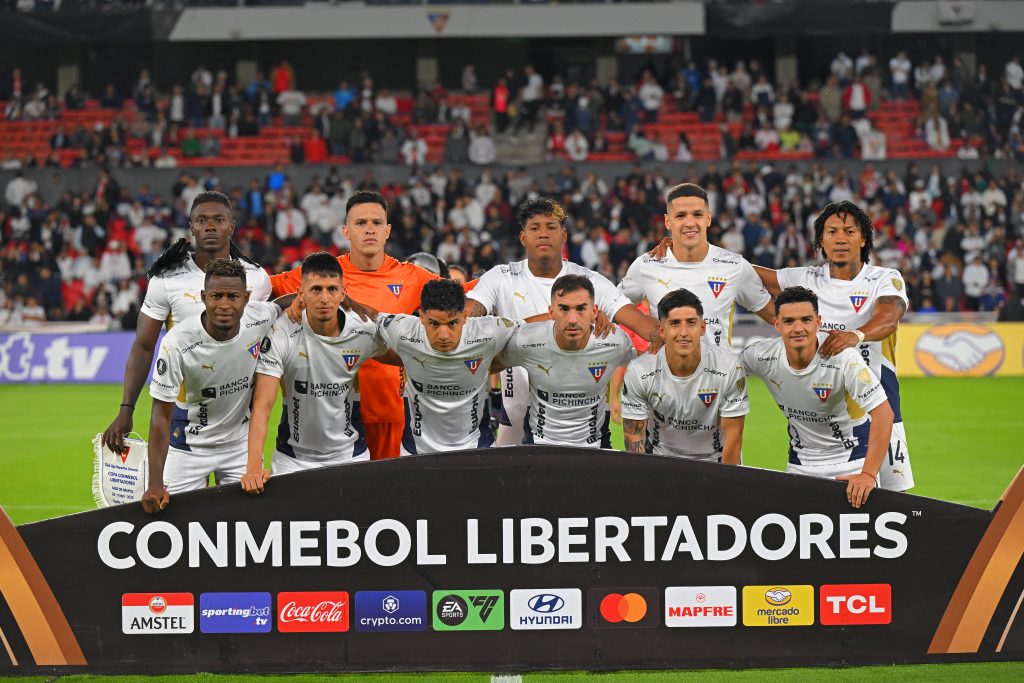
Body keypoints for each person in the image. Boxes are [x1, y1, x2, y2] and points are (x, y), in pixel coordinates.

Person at [268, 191, 453, 460]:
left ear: (388, 230)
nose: (370, 230)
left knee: (390, 495)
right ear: (346, 230)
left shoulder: (412, 277)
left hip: (393, 412)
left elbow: (465, 297)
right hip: (334, 415)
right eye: (361, 223)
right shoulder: (325, 275)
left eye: (377, 223)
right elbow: (259, 287)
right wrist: (291, 300)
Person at [465, 196, 660, 447]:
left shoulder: (589, 281)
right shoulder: (501, 278)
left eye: (551, 227)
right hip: (516, 414)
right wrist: (569, 317)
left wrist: (673, 333)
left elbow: (642, 324)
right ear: (523, 237)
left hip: (582, 421)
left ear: (564, 235)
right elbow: (467, 317)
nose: (543, 234)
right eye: (535, 228)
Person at [753, 200, 914, 492]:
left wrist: (857, 335)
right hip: (822, 422)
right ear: (821, 240)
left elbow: (890, 316)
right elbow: (741, 273)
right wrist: (689, 251)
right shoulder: (804, 278)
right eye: (832, 231)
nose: (841, 238)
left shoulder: (884, 279)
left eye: (850, 231)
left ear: (863, 238)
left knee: (894, 511)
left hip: (880, 412)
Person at [101, 191, 272, 456]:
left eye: (218, 219)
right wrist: (126, 409)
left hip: (239, 418)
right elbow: (144, 346)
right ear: (191, 227)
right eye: (201, 220)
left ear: (231, 225)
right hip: (185, 413)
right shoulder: (166, 280)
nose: (210, 226)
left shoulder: (257, 278)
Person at [243, 252, 396, 494]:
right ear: (300, 294)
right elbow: (262, 405)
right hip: (292, 459)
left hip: (351, 457)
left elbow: (405, 357)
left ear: (343, 293)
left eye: (332, 289)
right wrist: (253, 467)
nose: (325, 298)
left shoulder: (363, 332)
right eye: (315, 289)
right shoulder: (282, 334)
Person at [141, 259, 281, 513]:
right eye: (216, 296)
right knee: (174, 526)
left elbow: (285, 303)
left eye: (233, 296)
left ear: (247, 298)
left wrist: (343, 302)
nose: (224, 305)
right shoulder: (177, 343)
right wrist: (154, 483)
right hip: (188, 448)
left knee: (252, 523)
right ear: (203, 297)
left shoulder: (259, 317)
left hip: (239, 445)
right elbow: (160, 416)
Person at [741, 286, 893, 509]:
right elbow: (720, 372)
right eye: (789, 321)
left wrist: (868, 474)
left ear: (818, 321)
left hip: (851, 464)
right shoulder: (761, 356)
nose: (798, 328)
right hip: (800, 465)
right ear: (776, 324)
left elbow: (883, 413)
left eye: (805, 319)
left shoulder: (843, 358)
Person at [620, 183, 774, 348]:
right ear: (667, 221)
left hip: (719, 373)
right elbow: (611, 306)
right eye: (680, 216)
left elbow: (776, 317)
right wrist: (648, 330)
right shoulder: (646, 265)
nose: (690, 222)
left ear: (708, 218)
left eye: (697, 215)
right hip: (664, 373)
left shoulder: (735, 266)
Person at [377, 280, 520, 454]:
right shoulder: (403, 331)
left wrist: (492, 364)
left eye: (452, 323)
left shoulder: (490, 331)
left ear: (465, 316)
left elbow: (537, 334)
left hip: (477, 449)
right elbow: (369, 317)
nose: (443, 335)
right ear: (421, 317)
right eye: (434, 324)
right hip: (416, 453)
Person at [496, 275, 635, 448]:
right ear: (551, 312)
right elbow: (486, 366)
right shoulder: (527, 340)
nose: (572, 320)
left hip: (595, 448)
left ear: (594, 311)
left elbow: (644, 367)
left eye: (581, 309)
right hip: (540, 446)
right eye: (564, 309)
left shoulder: (614, 341)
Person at [621, 288, 748, 462]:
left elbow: (733, 441)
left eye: (691, 322)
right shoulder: (639, 371)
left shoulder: (729, 366)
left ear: (703, 328)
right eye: (674, 323)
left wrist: (724, 485)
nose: (683, 332)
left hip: (714, 462)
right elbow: (634, 443)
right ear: (661, 330)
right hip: (661, 461)